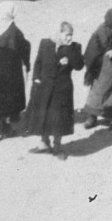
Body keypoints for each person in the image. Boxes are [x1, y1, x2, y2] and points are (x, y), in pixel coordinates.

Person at [25, 22, 83, 160]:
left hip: (62, 89)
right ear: (59, 32)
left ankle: (57, 146)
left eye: (71, 35)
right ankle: (44, 143)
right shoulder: (45, 43)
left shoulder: (74, 47)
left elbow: (79, 65)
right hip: (44, 86)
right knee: (44, 115)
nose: (69, 38)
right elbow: (38, 62)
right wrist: (36, 79)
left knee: (59, 118)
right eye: (66, 35)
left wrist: (68, 52)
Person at [0, 3, 31, 143]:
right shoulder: (12, 29)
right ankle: (6, 126)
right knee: (8, 97)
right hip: (9, 70)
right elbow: (25, 46)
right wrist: (27, 64)